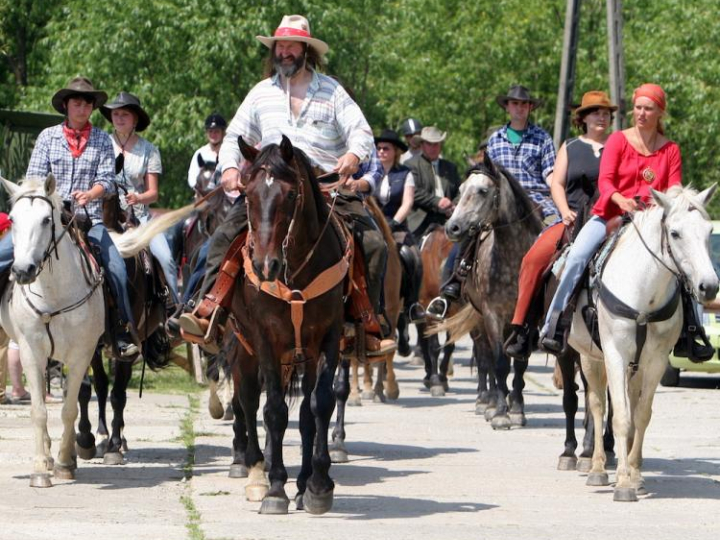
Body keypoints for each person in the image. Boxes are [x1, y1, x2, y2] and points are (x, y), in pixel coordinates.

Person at [174, 14, 394, 355]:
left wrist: (353, 155)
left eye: (293, 45)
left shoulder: (332, 91)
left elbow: (361, 132)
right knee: (220, 238)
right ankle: (208, 312)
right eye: (281, 46)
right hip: (270, 188)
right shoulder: (261, 93)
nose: (286, 51)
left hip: (325, 187)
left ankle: (366, 322)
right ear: (274, 51)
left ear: (306, 50)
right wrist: (230, 168)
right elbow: (234, 136)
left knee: (376, 244)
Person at [540, 83, 684, 353]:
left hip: (653, 221)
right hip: (611, 214)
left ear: (659, 113)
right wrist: (621, 200)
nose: (641, 113)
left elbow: (674, 189)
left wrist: (655, 206)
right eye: (638, 108)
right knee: (576, 257)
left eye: (648, 108)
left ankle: (692, 331)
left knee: (686, 265)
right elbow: (606, 182)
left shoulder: (670, 150)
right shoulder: (618, 140)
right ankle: (555, 323)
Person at [18, 77, 139, 357]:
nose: (82, 107)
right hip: (48, 219)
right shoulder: (47, 137)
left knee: (118, 269)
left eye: (87, 103)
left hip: (90, 221)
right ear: (66, 105)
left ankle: (121, 331)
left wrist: (90, 194)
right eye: (77, 102)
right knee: (6, 253)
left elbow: (107, 180)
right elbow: (34, 178)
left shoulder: (101, 140)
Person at [504, 91, 616, 358]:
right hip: (573, 219)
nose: (602, 116)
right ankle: (522, 328)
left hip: (609, 219)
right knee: (533, 260)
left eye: (606, 113)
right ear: (584, 118)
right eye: (596, 112)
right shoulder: (571, 146)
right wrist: (564, 211)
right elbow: (557, 183)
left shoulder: (618, 145)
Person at [101, 91, 180, 304]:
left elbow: (153, 194)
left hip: (140, 219)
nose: (119, 118)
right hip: (105, 217)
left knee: (166, 259)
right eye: (115, 114)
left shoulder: (149, 150)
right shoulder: (101, 144)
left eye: (124, 114)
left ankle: (175, 307)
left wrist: (139, 197)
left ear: (135, 119)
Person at [487, 85, 557, 222]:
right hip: (503, 204)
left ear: (530, 107)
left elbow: (550, 173)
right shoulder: (495, 140)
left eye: (524, 103)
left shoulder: (543, 138)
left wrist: (559, 189)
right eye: (515, 103)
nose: (520, 107)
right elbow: (490, 177)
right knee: (471, 234)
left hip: (538, 203)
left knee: (558, 233)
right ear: (507, 107)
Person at [375, 128, 424, 323]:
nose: (381, 152)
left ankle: (412, 304)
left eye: (386, 148)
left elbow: (408, 203)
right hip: (372, 225)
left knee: (413, 258)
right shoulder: (370, 172)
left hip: (397, 228)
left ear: (395, 151)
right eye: (378, 148)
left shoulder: (405, 173)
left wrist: (393, 223)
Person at [405, 126, 461, 238]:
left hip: (449, 218)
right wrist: (437, 201)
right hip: (420, 220)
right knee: (408, 253)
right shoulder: (411, 165)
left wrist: (453, 206)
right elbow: (413, 192)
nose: (433, 148)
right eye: (429, 144)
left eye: (436, 144)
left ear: (440, 146)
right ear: (421, 145)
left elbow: (460, 191)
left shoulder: (450, 167)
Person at [187, 113, 228, 190]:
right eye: (210, 131)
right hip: (204, 193)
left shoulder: (229, 152)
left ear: (223, 133)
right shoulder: (200, 153)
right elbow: (192, 178)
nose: (213, 134)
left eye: (216, 131)